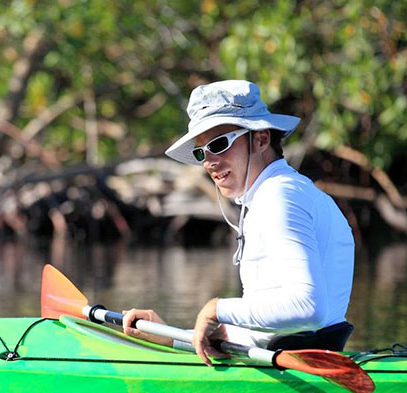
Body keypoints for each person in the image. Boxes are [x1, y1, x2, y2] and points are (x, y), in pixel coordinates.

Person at [122, 80, 355, 365]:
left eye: (219, 144)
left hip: (300, 365)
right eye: (201, 152)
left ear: (261, 139)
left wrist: (216, 309)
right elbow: (271, 327)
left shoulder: (279, 196)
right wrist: (169, 336)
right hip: (291, 357)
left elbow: (309, 308)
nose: (209, 162)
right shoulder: (283, 193)